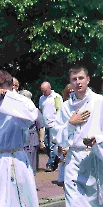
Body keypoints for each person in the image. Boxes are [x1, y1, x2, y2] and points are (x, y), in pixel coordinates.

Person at [51, 65, 103, 206]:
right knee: (74, 201)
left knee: (96, 202)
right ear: (70, 82)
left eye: (81, 78)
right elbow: (56, 135)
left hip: (94, 157)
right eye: (74, 79)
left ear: (88, 79)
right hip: (73, 159)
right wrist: (71, 123)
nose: (78, 82)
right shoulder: (65, 107)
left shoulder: (101, 102)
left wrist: (97, 139)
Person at [0, 70, 40, 206]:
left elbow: (31, 117)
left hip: (15, 156)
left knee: (19, 198)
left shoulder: (21, 101)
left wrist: (9, 99)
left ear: (11, 86)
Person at [39, 81, 63, 172]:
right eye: (42, 91)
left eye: (45, 91)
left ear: (50, 88)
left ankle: (50, 164)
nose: (43, 93)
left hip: (54, 124)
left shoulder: (56, 97)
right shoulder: (41, 98)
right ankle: (55, 158)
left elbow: (60, 110)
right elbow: (41, 110)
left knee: (52, 145)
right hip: (45, 125)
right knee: (46, 145)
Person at [19, 90, 44, 176]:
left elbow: (41, 127)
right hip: (19, 141)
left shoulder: (35, 111)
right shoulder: (17, 111)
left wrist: (41, 141)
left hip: (31, 141)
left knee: (30, 164)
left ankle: (31, 185)